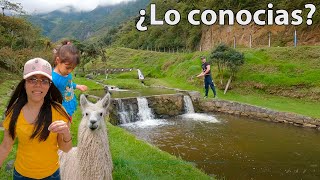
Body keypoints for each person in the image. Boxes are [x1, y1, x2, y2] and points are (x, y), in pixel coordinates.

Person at [0, 58, 72, 179]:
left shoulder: (59, 111)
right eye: (32, 79)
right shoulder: (14, 112)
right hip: (21, 175)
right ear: (24, 83)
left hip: (51, 175)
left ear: (49, 85)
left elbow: (66, 149)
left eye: (44, 81)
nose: (38, 85)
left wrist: (66, 133)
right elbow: (6, 145)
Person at [52, 44, 87, 120]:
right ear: (58, 61)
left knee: (68, 122)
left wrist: (77, 86)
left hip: (69, 102)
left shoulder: (65, 73)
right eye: (68, 67)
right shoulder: (54, 79)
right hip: (61, 109)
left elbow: (68, 83)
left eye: (73, 68)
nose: (70, 71)